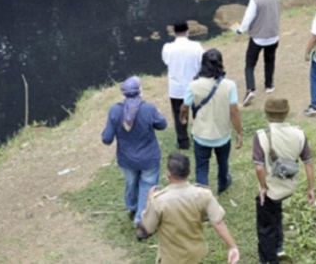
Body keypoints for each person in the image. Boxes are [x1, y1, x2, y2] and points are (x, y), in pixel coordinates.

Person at [140, 153, 240, 264]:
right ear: (189, 172)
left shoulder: (158, 200)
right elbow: (218, 222)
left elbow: (149, 228)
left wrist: (149, 201)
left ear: (168, 174)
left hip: (170, 257)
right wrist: (232, 246)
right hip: (195, 254)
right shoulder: (204, 194)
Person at [101, 76, 167, 238]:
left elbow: (106, 138)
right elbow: (163, 125)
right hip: (148, 158)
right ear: (139, 91)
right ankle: (142, 221)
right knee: (148, 186)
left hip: (127, 159)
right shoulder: (148, 109)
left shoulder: (115, 110)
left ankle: (132, 207)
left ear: (124, 93)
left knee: (131, 183)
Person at [253, 98, 315, 263]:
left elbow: (259, 168)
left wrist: (263, 187)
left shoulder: (261, 136)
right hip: (288, 186)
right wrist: (311, 189)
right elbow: (308, 162)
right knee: (277, 211)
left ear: (266, 114)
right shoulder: (299, 134)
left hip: (271, 189)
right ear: (286, 113)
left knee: (265, 228)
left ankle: (269, 259)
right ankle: (279, 246)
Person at [180, 49, 243, 194]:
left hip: (201, 135)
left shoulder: (194, 85)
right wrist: (239, 132)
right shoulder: (229, 85)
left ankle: (203, 194)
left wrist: (183, 117)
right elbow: (234, 111)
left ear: (202, 64)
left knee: (201, 166)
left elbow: (185, 106)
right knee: (223, 163)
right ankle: (223, 183)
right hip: (222, 134)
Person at [235, 0, 281, 107]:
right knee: (269, 60)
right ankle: (269, 85)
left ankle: (250, 89)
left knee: (250, 64)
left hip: (258, 37)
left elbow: (248, 18)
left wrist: (240, 30)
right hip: (273, 35)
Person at [162, 21, 204, 150]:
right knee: (198, 112)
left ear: (174, 33)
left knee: (179, 114)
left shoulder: (168, 48)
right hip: (194, 85)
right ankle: (199, 137)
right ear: (188, 31)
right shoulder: (196, 46)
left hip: (176, 88)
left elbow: (166, 61)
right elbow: (203, 61)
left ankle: (183, 141)